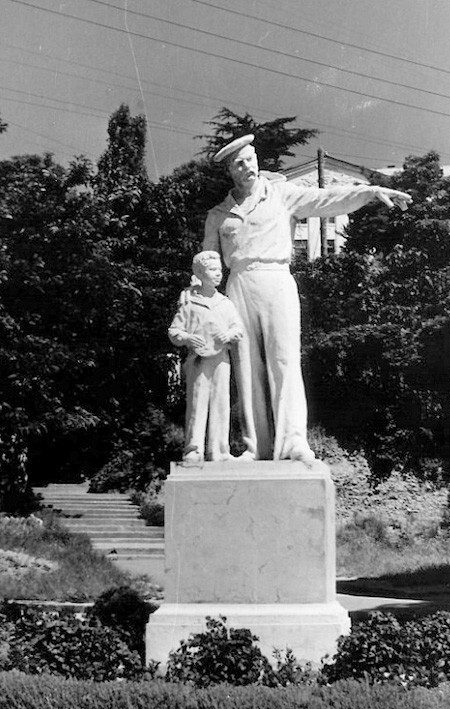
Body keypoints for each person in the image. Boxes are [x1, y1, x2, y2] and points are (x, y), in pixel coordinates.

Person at [203, 134, 412, 463]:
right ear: (230, 171)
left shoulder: (282, 194)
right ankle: (256, 446)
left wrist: (370, 192)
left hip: (277, 278)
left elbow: (327, 199)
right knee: (246, 368)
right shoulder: (219, 214)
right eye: (238, 164)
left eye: (250, 159)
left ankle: (293, 442)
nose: (247, 167)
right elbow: (207, 262)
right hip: (238, 284)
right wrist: (202, 304)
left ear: (257, 160)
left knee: (285, 361)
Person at [168, 251, 244, 464]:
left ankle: (220, 450)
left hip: (221, 359)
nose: (218, 274)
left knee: (221, 403)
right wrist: (188, 338)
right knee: (197, 403)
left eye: (219, 270)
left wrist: (229, 334)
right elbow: (174, 331)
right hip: (198, 360)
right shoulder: (189, 303)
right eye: (212, 270)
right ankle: (194, 449)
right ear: (200, 274)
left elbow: (238, 328)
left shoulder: (225, 303)